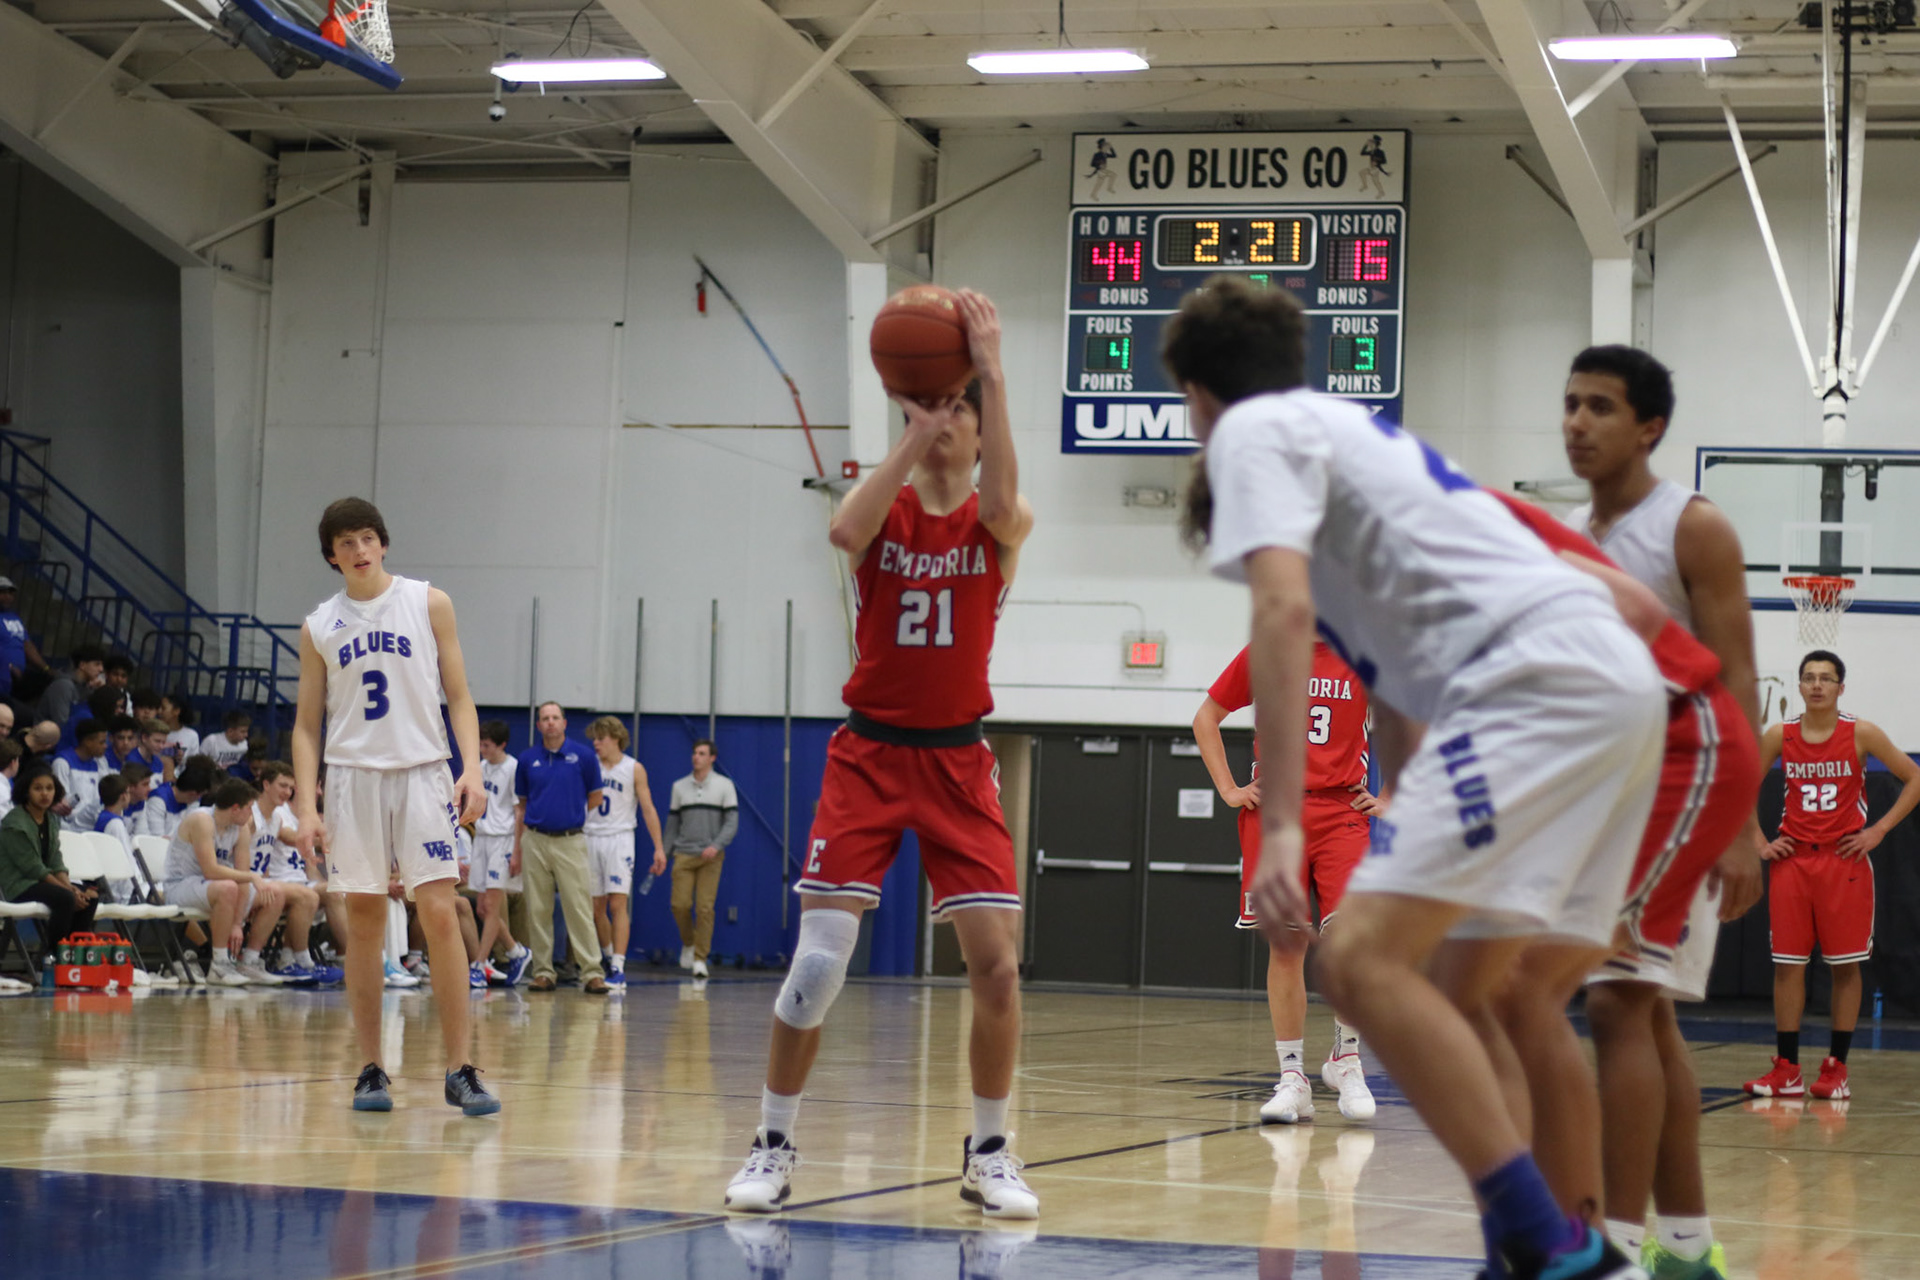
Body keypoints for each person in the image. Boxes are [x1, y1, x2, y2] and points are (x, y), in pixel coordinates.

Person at [1169, 276, 1664, 1280]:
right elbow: (1633, 610)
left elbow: (1280, 616)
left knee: (1354, 959)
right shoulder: (1370, 449)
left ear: (1199, 393)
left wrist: (1276, 834)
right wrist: (1405, 795)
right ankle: (1523, 1251)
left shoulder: (1254, 432)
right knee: (1467, 989)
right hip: (1616, 692)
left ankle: (1552, 1240)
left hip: (1528, 693)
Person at [725, 290, 1039, 1221]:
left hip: (956, 762)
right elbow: (840, 529)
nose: (948, 427)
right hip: (868, 754)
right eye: (935, 413)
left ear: (982, 435)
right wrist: (915, 427)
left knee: (997, 965)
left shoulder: (996, 527)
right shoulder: (884, 513)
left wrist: (990, 376)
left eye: (962, 420)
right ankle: (772, 1144)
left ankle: (990, 1152)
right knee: (818, 965)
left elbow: (1010, 501)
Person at [1556, 345, 1769, 1279]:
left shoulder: (1693, 527)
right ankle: (1686, 1246)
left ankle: (1611, 1245)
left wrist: (1746, 826)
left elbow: (1739, 680)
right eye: (1569, 404)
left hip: (1682, 795)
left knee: (1616, 1002)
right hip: (1600, 804)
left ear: (1649, 427)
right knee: (1650, 1019)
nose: (1577, 422)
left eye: (1600, 407)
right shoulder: (1563, 536)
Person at [290, 496, 498, 1116]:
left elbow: (459, 696)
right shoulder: (319, 626)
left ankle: (460, 1068)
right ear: (332, 556)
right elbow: (305, 727)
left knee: (438, 908)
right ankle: (371, 1069)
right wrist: (307, 806)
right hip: (352, 777)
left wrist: (473, 769)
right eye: (345, 543)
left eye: (367, 538)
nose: (359, 550)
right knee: (365, 920)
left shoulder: (428, 602)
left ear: (383, 544)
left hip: (423, 771)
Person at [1193, 644, 1377, 1124]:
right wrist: (1230, 789)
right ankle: (1292, 1077)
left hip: (1341, 810)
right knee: (1287, 946)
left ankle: (1346, 1058)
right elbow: (1206, 717)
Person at [1744, 649, 1920, 1104]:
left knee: (1845, 967)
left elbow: (1913, 777)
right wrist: (1761, 842)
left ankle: (1837, 1068)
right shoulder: (1777, 735)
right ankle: (1787, 1069)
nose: (1817, 684)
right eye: (1809, 677)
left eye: (1826, 678)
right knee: (1787, 967)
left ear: (1841, 687)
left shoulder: (1859, 732)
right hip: (1793, 863)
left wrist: (1879, 829)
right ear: (1798, 687)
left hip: (1844, 863)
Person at [512, 702, 609, 995]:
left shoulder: (584, 756)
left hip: (571, 840)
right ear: (539, 725)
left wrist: (567, 812)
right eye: (545, 718)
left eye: (555, 718)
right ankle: (543, 972)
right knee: (538, 909)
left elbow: (595, 797)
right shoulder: (528, 760)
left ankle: (592, 972)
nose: (550, 723)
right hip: (535, 840)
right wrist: (517, 849)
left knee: (578, 907)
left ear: (564, 723)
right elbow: (522, 805)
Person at [160, 778, 285, 986]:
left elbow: (242, 876)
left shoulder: (240, 828)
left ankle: (250, 961)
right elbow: (210, 871)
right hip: (180, 885)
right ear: (235, 809)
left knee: (275, 892)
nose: (251, 814)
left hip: (213, 888)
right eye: (249, 808)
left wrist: (237, 922)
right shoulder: (201, 820)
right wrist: (253, 876)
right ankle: (219, 964)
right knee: (228, 887)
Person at [582, 717, 665, 988]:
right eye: (593, 738)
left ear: (615, 738)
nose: (595, 743)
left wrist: (658, 848)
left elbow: (648, 808)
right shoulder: (589, 766)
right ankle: (607, 957)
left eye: (600, 738)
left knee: (617, 904)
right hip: (591, 836)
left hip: (620, 838)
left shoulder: (633, 768)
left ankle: (618, 964)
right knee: (596, 908)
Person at [0, 764, 98, 962]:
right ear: (26, 791)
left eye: (49, 788)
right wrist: (69, 891)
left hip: (43, 882)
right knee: (65, 898)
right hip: (19, 885)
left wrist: (71, 886)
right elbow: (32, 868)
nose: (44, 794)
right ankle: (53, 956)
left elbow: (55, 860)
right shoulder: (15, 823)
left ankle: (73, 955)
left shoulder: (51, 819)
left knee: (90, 897)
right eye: (38, 788)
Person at [666, 738, 740, 980]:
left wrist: (716, 845)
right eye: (694, 753)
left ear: (712, 758)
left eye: (701, 753)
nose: (695, 757)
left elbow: (731, 822)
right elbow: (672, 824)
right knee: (680, 905)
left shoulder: (725, 785)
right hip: (683, 854)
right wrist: (662, 853)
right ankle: (689, 943)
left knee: (705, 908)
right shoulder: (679, 787)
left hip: (711, 857)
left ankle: (700, 959)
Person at [249, 762, 327, 982]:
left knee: (309, 895)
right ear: (266, 784)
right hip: (245, 881)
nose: (287, 792)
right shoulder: (250, 815)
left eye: (290, 787)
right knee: (306, 895)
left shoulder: (274, 818)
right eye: (282, 786)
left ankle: (290, 959)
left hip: (259, 881)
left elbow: (276, 846)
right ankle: (297, 960)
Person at [472, 721, 530, 985]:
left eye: (487, 745)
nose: (482, 749)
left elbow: (520, 812)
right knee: (483, 908)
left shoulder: (514, 768)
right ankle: (517, 951)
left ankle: (480, 963)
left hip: (504, 841)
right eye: (480, 744)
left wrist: (517, 851)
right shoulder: (481, 768)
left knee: (493, 907)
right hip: (482, 839)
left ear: (501, 745)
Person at [136, 754, 218, 840]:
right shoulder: (158, 800)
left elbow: (191, 832)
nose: (200, 798)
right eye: (200, 795)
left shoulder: (194, 801)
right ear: (193, 794)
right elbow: (157, 838)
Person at [52, 719, 111, 832]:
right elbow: (63, 803)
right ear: (88, 742)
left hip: (90, 823)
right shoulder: (62, 762)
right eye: (101, 742)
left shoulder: (98, 763)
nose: (105, 746)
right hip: (68, 827)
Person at [0, 576, 50, 703]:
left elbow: (27, 645)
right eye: (3, 592)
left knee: (50, 681)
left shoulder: (14, 617)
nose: (8, 597)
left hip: (19, 676)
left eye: (10, 593)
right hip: (4, 675)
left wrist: (46, 669)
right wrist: (8, 667)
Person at [36, 644, 104, 731]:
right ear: (82, 665)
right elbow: (61, 723)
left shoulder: (85, 687)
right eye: (97, 664)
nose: (101, 669)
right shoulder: (63, 685)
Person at [160, 691, 200, 762]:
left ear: (176, 711)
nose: (159, 711)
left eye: (163, 708)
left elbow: (193, 763)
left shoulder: (191, 735)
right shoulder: (154, 732)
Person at [0, 739, 22, 819]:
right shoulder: (2, 790)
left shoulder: (5, 784)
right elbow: (5, 822)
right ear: (13, 762)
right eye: (18, 761)